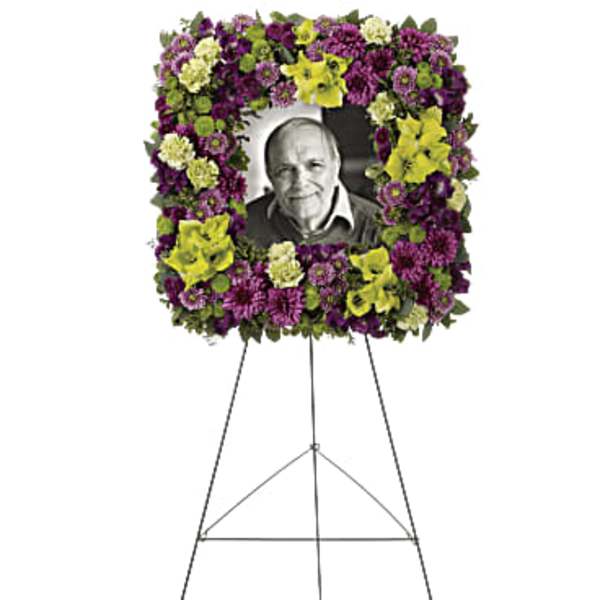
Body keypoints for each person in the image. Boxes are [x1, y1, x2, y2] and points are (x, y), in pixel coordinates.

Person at [245, 117, 380, 247]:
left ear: (336, 166)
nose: (300, 182)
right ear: (270, 175)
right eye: (285, 170)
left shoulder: (379, 228)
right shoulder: (242, 226)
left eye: (314, 165)